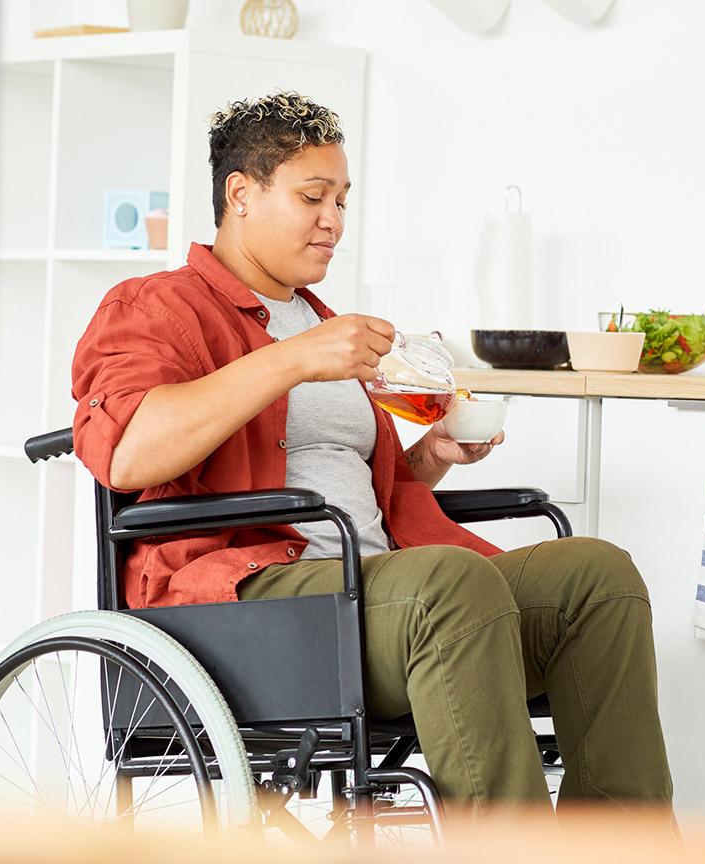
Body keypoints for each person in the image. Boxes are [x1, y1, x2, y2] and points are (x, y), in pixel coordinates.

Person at [70, 91, 674, 830]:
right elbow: (127, 454)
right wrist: (290, 360)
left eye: (342, 199)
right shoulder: (158, 306)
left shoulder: (323, 324)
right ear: (241, 195)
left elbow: (350, 493)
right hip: (247, 610)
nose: (334, 220)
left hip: (380, 597)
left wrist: (425, 462)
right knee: (447, 583)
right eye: (312, 196)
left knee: (595, 576)